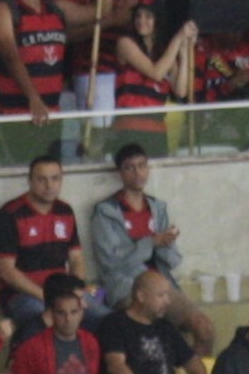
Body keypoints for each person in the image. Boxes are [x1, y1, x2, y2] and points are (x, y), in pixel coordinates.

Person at [92, 145, 211, 347]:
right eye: (130, 168)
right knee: (158, 340)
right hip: (128, 289)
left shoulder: (157, 207)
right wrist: (150, 242)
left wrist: (167, 243)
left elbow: (172, 261)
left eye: (142, 166)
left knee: (204, 327)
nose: (137, 173)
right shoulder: (106, 212)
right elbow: (110, 263)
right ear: (120, 173)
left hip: (163, 286)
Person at [0, 156, 94, 337]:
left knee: (105, 314)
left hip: (64, 291)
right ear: (30, 181)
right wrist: (49, 297)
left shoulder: (66, 210)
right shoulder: (10, 214)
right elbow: (5, 270)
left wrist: (76, 290)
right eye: (42, 179)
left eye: (55, 178)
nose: (49, 186)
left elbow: (76, 258)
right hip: (23, 295)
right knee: (41, 317)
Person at [100, 271, 202, 374]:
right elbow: (116, 367)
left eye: (167, 295)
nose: (167, 301)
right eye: (161, 295)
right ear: (141, 296)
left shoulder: (166, 327)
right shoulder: (115, 324)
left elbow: (192, 363)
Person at [12, 280, 101, 374]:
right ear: (52, 314)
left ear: (81, 313)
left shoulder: (91, 342)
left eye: (74, 312)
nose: (68, 319)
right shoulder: (31, 348)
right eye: (61, 313)